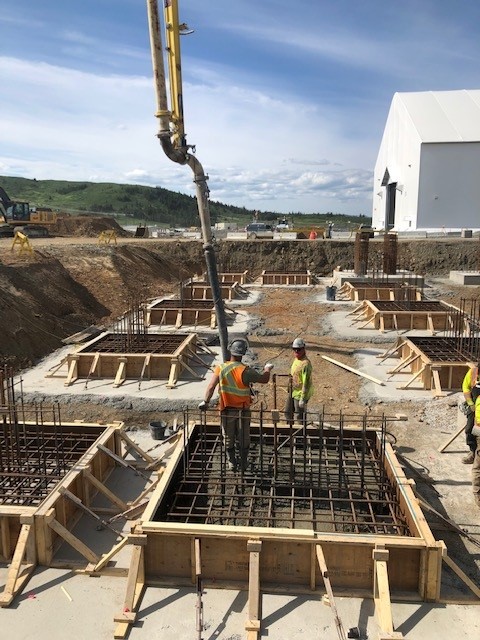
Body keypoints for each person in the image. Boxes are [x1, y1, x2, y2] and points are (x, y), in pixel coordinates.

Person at [198, 339, 273, 471]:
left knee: (228, 437)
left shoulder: (220, 368)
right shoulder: (246, 371)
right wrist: (267, 369)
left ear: (230, 350)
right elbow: (264, 379)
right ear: (243, 353)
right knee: (244, 437)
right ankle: (243, 463)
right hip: (243, 411)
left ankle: (231, 462)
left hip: (227, 410)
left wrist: (206, 401)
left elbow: (211, 387)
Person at [286, 338, 313, 422]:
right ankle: (289, 430)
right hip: (293, 390)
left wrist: (303, 398)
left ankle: (299, 433)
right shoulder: (297, 359)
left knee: (299, 416)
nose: (296, 351)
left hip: (300, 393)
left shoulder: (305, 364)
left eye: (299, 349)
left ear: (304, 349)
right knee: (287, 412)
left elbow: (306, 383)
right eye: (295, 349)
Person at [461, 362, 480, 464]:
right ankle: (473, 452)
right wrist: (470, 403)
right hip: (474, 409)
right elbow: (466, 387)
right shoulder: (473, 373)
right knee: (470, 430)